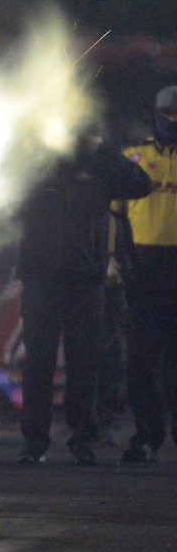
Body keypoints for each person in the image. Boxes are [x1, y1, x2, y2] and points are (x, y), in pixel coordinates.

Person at [15, 120, 152, 465]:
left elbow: (142, 184)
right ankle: (34, 442)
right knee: (38, 363)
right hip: (40, 278)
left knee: (84, 364)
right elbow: (8, 193)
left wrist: (101, 150)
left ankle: (83, 440)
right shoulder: (37, 161)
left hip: (85, 280)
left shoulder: (101, 165)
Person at [115, 85, 177, 463]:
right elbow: (114, 216)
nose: (172, 121)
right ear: (156, 114)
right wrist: (114, 260)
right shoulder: (132, 157)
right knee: (139, 360)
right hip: (144, 268)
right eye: (167, 114)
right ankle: (147, 435)